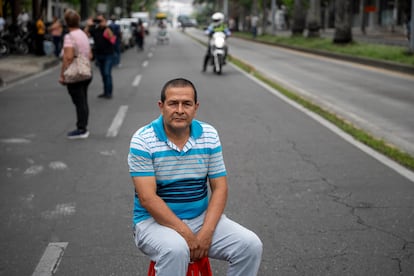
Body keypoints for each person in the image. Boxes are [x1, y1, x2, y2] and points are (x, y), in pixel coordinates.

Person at [128, 78, 263, 276]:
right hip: (153, 223)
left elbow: (220, 188)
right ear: (161, 106)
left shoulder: (208, 134)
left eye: (187, 104)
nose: (180, 110)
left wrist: (206, 232)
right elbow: (148, 199)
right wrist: (186, 235)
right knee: (176, 249)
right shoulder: (143, 140)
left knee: (250, 246)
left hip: (200, 219)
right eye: (173, 103)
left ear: (196, 107)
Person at [59, 9, 92, 139]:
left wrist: (62, 75)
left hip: (75, 73)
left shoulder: (69, 36)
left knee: (79, 101)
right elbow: (89, 53)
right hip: (86, 70)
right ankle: (83, 127)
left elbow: (68, 57)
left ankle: (81, 129)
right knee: (83, 100)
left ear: (66, 22)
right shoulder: (83, 34)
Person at [89, 14, 114, 99]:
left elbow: (112, 37)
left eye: (101, 20)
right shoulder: (95, 29)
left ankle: (109, 93)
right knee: (103, 74)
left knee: (107, 73)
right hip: (99, 55)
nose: (99, 22)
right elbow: (86, 33)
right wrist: (90, 24)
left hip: (108, 55)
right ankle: (105, 91)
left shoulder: (108, 28)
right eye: (98, 20)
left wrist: (106, 26)